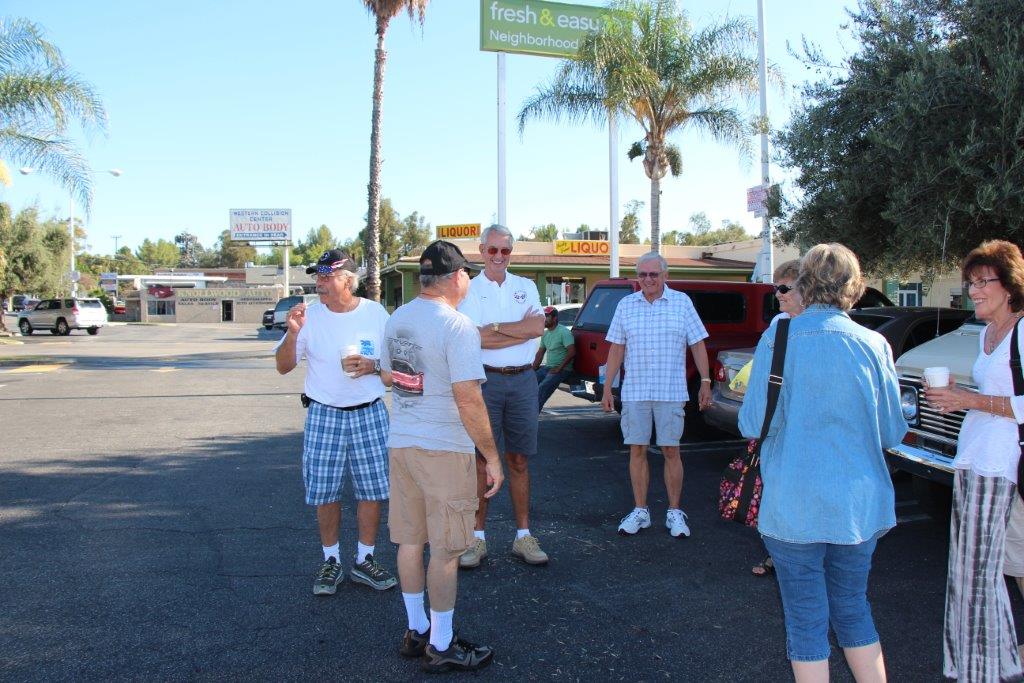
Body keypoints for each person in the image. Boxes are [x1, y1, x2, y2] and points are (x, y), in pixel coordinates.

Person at [738, 243, 906, 683]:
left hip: (793, 503)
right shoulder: (874, 344)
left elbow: (753, 421)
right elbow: (892, 432)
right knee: (853, 608)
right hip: (858, 507)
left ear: (805, 284)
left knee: (806, 618)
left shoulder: (779, 337)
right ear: (854, 286)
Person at [383, 240, 505, 673]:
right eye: (467, 273)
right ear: (456, 278)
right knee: (448, 550)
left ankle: (417, 631)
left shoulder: (397, 319)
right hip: (443, 449)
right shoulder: (457, 326)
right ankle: (442, 642)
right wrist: (491, 456)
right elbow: (468, 396)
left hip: (402, 442)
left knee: (410, 541)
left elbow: (393, 376)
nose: (468, 280)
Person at [924, 239, 1024, 681]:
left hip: (1003, 467)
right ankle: (985, 662)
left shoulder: (1022, 330)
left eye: (985, 282)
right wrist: (958, 402)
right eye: (971, 283)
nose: (974, 291)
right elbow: (988, 399)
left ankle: (984, 668)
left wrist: (970, 398)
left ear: (1010, 284)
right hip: (974, 462)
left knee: (980, 575)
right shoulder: (987, 334)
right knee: (969, 572)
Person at [274, 249, 397, 595]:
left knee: (372, 491)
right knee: (325, 493)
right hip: (324, 413)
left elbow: (392, 370)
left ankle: (364, 559)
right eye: (318, 277)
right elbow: (283, 366)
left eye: (327, 277)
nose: (320, 284)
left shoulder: (375, 313)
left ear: (349, 280)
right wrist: (294, 332)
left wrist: (372, 366)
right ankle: (331, 562)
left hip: (370, 411)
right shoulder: (309, 317)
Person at [601, 252, 712, 538]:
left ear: (665, 276)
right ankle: (641, 511)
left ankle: (674, 512)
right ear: (637, 277)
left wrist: (705, 381)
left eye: (653, 274)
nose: (648, 279)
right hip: (635, 392)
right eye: (642, 274)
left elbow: (698, 344)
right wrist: (607, 387)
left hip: (670, 391)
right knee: (636, 449)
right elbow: (616, 349)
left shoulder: (682, 303)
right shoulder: (626, 305)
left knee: (671, 450)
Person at [456, 224, 549, 567]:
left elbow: (537, 328)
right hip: (485, 383)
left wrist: (494, 328)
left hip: (524, 381)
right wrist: (515, 331)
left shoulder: (525, 286)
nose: (498, 257)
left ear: (511, 253)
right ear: (481, 251)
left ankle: (523, 536)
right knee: (482, 463)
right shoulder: (469, 290)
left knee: (519, 460)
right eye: (492, 250)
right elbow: (473, 339)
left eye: (504, 251)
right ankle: (476, 539)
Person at [752, 259, 804, 579]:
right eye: (776, 288)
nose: (778, 294)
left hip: (805, 430)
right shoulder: (777, 326)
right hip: (780, 427)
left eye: (785, 288)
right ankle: (778, 554)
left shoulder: (823, 328)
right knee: (777, 492)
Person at [533, 306, 576, 412]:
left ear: (555, 318)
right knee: (530, 383)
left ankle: (533, 417)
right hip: (548, 368)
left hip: (562, 369)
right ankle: (527, 414)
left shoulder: (564, 332)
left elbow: (572, 352)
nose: (544, 319)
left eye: (547, 316)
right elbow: (540, 353)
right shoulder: (545, 333)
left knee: (542, 388)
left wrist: (559, 368)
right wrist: (532, 370)